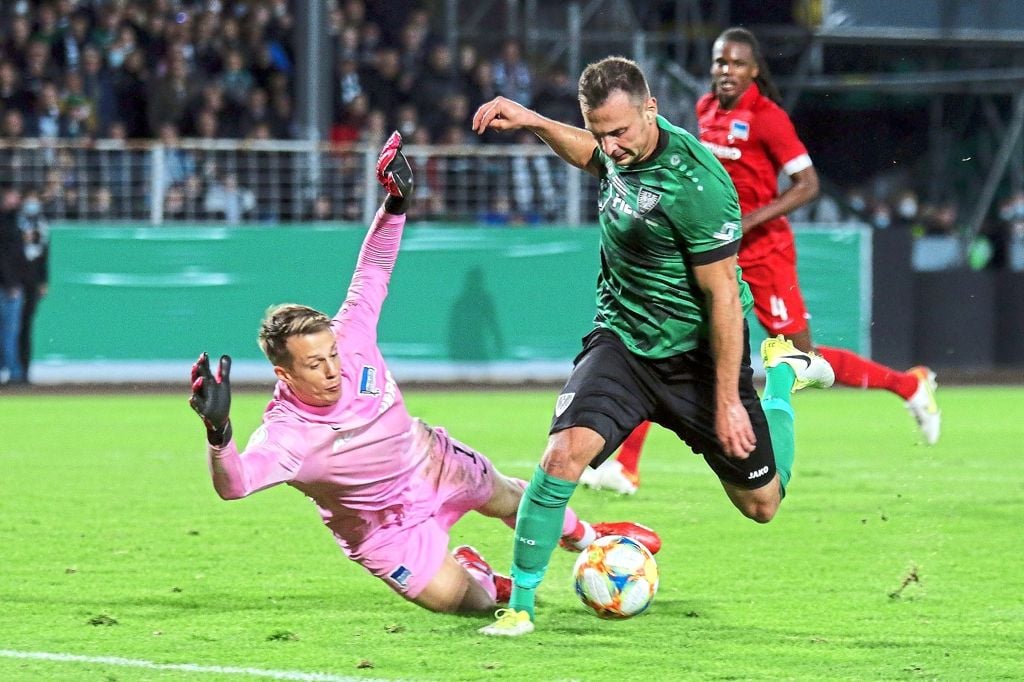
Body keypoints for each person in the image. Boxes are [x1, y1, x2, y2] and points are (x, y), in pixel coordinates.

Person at [188, 132, 660, 617]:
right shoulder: (288, 436)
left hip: (431, 462)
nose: (334, 369)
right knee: (476, 605)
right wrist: (219, 432)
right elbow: (236, 485)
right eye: (315, 364)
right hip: (386, 531)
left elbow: (373, 268)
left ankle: (588, 540)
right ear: (282, 374)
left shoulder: (350, 336)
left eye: (331, 354)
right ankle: (475, 570)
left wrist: (396, 203)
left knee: (511, 497)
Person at [471, 56, 833, 636]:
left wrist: (729, 400)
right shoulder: (613, 149)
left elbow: (720, 298)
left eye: (621, 132)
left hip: (698, 356)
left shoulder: (698, 185)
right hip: (624, 342)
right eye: (601, 131)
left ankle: (785, 375)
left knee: (761, 505)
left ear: (652, 110)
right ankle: (522, 607)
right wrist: (531, 119)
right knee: (562, 456)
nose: (611, 146)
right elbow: (589, 155)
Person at [580, 28, 942, 496]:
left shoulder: (768, 118)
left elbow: (807, 184)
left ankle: (907, 386)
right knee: (669, 337)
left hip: (764, 254)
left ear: (754, 71)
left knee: (800, 355)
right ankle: (627, 465)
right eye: (718, 62)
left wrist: (751, 221)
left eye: (734, 64)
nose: (724, 72)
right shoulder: (706, 110)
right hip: (711, 249)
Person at [17, 188, 48, 381]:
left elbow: (45, 256)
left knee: (25, 326)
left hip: (31, 282)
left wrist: (43, 281)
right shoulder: (14, 221)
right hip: (15, 281)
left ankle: (23, 370)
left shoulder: (42, 225)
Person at [0, 187, 26, 385]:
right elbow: (5, 258)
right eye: (13, 195)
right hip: (7, 286)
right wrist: (11, 284)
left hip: (11, 284)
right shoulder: (7, 223)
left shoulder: (13, 220)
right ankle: (14, 373)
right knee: (9, 332)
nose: (17, 199)